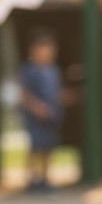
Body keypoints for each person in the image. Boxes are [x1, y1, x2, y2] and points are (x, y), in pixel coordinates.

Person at [19, 28, 63, 192]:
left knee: (48, 149)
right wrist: (36, 107)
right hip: (35, 117)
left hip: (51, 116)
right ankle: (33, 179)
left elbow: (56, 93)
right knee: (36, 148)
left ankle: (45, 179)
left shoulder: (53, 71)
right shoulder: (30, 70)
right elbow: (24, 94)